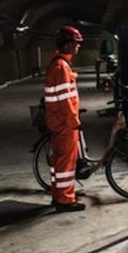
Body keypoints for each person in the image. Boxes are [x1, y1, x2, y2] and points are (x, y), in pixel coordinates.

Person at [44, 25, 86, 212]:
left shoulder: (58, 64)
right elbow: (65, 100)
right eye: (76, 43)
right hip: (64, 124)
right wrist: (73, 121)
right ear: (68, 45)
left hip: (56, 121)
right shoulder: (61, 67)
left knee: (58, 162)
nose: (78, 46)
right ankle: (65, 200)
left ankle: (57, 195)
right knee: (66, 163)